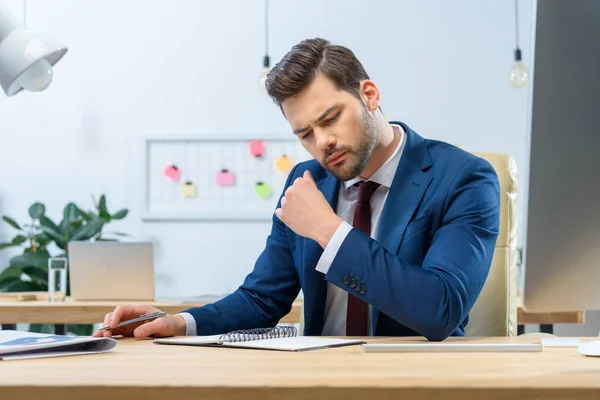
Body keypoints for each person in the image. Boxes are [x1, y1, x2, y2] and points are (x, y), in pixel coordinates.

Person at [94, 38, 500, 341]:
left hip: (418, 380)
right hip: (315, 380)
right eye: (305, 133)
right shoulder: (307, 181)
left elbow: (440, 309)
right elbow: (261, 299)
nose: (321, 142)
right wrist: (178, 322)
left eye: (330, 119)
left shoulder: (463, 178)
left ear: (369, 95)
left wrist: (330, 231)